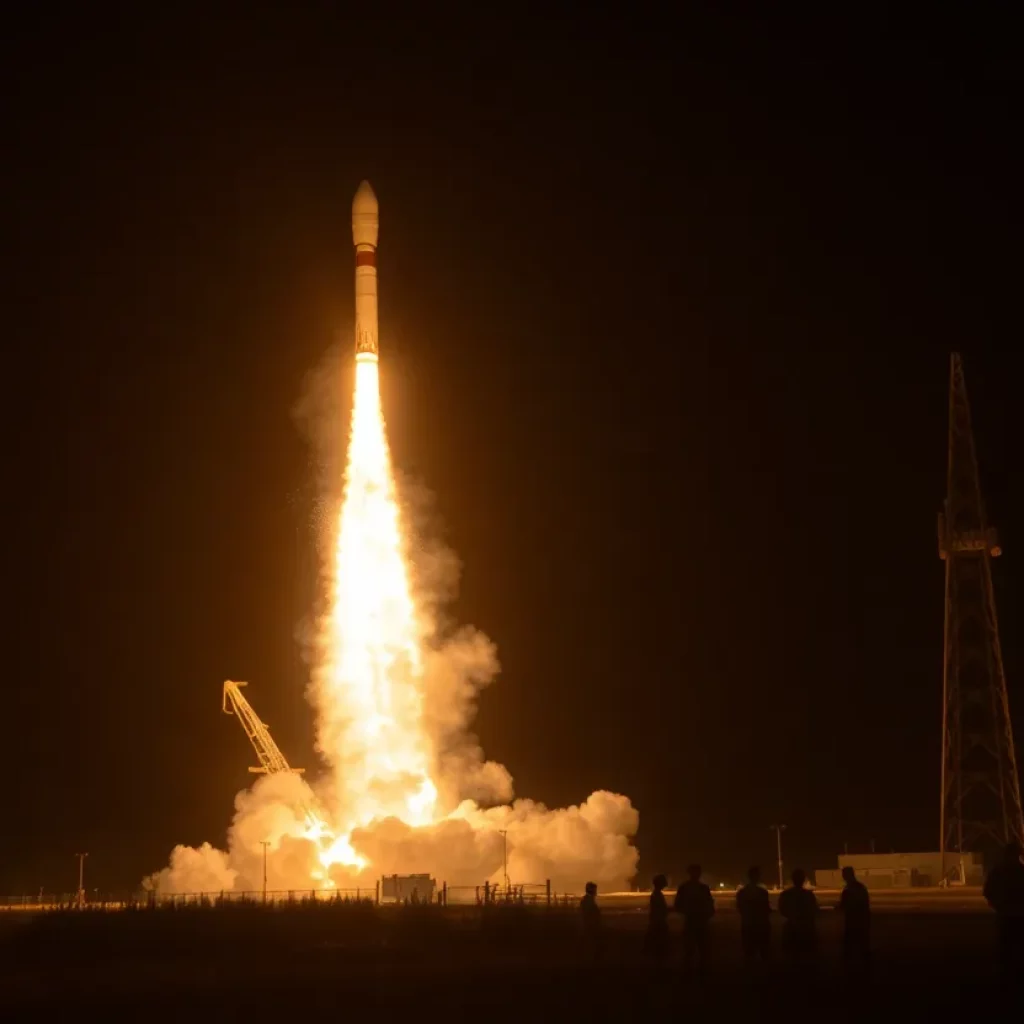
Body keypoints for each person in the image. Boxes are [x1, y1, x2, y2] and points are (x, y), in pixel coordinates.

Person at [982, 841, 1024, 979]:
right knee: (1017, 945)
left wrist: (997, 905)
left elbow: (988, 891)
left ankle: (1005, 973)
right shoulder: (1020, 871)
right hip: (1018, 914)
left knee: (1005, 945)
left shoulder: (998, 871)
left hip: (1005, 913)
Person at [674, 864, 714, 975]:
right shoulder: (702, 888)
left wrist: (689, 912)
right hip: (696, 922)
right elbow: (710, 906)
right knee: (696, 951)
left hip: (694, 922)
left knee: (694, 951)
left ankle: (691, 973)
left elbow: (678, 905)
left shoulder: (685, 888)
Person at [778, 868, 819, 967]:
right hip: (806, 928)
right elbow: (814, 909)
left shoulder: (786, 894)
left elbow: (782, 909)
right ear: (803, 880)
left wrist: (793, 916)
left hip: (792, 927)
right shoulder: (809, 895)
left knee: (791, 957)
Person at [736, 865, 771, 966]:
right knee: (763, 952)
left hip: (748, 924)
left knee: (749, 953)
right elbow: (766, 909)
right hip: (761, 925)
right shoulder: (762, 892)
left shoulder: (742, 892)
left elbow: (740, 908)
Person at [838, 865, 870, 974]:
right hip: (862, 920)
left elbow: (844, 905)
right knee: (862, 945)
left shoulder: (848, 889)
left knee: (851, 947)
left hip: (852, 921)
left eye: (844, 874)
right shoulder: (861, 887)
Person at [645, 874, 671, 961]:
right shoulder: (657, 895)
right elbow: (660, 909)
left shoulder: (656, 894)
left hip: (656, 921)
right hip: (658, 922)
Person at [579, 881, 603, 961]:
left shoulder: (585, 900)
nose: (596, 892)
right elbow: (591, 915)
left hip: (589, 927)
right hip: (590, 928)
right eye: (595, 890)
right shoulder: (589, 901)